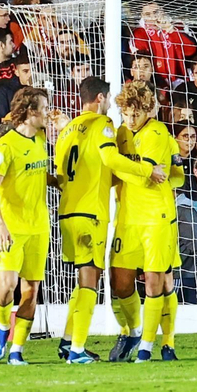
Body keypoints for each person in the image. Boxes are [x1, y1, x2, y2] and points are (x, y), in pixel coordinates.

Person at [100, 80, 184, 363]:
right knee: (119, 283)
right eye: (126, 112)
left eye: (137, 112)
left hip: (156, 216)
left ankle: (154, 344)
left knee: (155, 281)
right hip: (127, 218)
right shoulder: (122, 132)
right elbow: (142, 171)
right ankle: (135, 331)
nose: (131, 118)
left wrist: (116, 162)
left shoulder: (157, 133)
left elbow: (143, 176)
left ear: (148, 109)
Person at [0, 87, 53, 365]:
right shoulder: (5, 145)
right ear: (31, 111)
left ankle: (17, 350)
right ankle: (2, 327)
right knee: (8, 286)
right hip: (11, 228)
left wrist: (55, 181)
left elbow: (34, 173)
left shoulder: (40, 138)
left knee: (31, 290)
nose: (49, 113)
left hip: (39, 226)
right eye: (45, 109)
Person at [51, 77, 116, 363]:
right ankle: (77, 350)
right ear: (100, 98)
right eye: (110, 98)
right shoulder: (103, 126)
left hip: (67, 211)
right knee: (90, 280)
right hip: (90, 212)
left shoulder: (65, 132)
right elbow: (110, 160)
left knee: (82, 281)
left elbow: (60, 177)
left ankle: (68, 342)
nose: (111, 103)